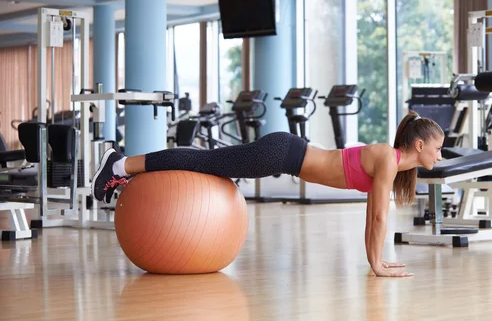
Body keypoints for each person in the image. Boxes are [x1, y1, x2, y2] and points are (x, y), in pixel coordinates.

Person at [92, 111, 444, 277]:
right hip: (282, 153)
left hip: (286, 153)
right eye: (438, 149)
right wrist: (377, 264)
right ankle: (121, 165)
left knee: (204, 163)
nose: (439, 156)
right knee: (203, 161)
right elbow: (380, 217)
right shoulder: (386, 157)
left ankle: (123, 169)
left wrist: (375, 262)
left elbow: (373, 216)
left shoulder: (392, 164)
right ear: (419, 144)